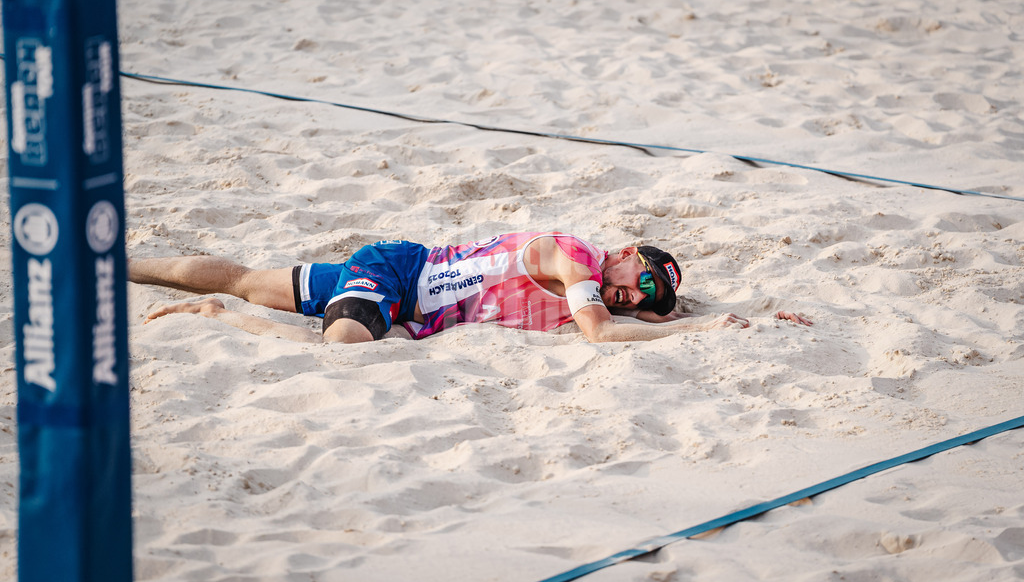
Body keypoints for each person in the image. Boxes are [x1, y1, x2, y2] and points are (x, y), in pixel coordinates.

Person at [129, 231, 811, 344]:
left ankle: (117, 261)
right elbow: (602, 335)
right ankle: (213, 314)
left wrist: (750, 315)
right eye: (647, 279)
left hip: (404, 282)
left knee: (256, 279)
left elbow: (634, 322)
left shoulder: (598, 288)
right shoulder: (578, 260)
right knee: (341, 345)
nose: (645, 296)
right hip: (401, 276)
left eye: (654, 296)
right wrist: (692, 326)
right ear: (627, 252)